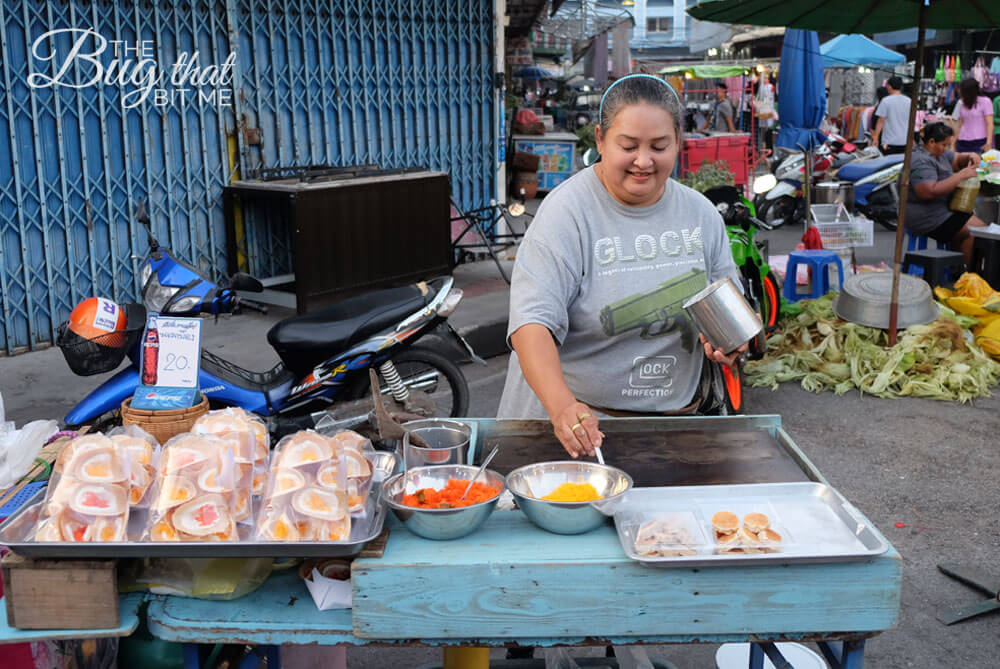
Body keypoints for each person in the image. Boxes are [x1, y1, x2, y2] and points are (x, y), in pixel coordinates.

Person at [496, 74, 748, 458]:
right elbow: (532, 324)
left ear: (678, 142)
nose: (643, 161)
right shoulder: (567, 214)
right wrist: (564, 407)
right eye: (628, 146)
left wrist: (731, 343)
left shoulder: (700, 214)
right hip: (572, 432)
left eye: (659, 146)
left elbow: (729, 303)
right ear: (600, 139)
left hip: (672, 428)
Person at [904, 122, 986, 262]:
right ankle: (964, 274)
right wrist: (960, 176)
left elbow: (957, 159)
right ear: (931, 141)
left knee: (982, 231)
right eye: (944, 144)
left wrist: (970, 156)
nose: (946, 148)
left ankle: (959, 269)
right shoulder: (920, 161)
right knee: (976, 233)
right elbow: (927, 192)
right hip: (927, 218)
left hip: (943, 211)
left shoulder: (939, 153)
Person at [952, 78, 994, 153]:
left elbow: (989, 123)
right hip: (962, 141)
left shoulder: (985, 101)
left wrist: (988, 143)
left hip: (979, 141)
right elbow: (960, 125)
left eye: (961, 89)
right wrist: (952, 144)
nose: (959, 91)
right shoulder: (961, 103)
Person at [872, 76, 912, 155]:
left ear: (889, 86)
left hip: (888, 142)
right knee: (901, 164)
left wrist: (875, 138)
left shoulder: (886, 101)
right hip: (904, 141)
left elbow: (881, 121)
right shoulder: (909, 101)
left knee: (887, 163)